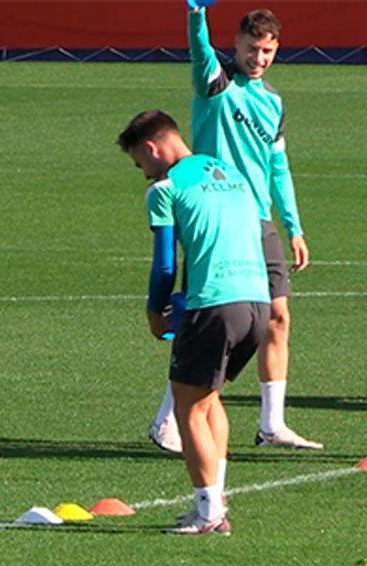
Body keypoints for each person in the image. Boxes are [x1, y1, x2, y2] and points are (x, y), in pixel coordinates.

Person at [148, 4, 321, 455]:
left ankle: (272, 424)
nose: (258, 58)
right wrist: (197, 13)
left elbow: (278, 167)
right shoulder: (216, 85)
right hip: (217, 216)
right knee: (202, 317)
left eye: (267, 51)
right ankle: (167, 418)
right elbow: (198, 49)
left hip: (259, 219)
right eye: (251, 49)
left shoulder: (274, 103)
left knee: (277, 317)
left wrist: (295, 227)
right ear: (237, 45)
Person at [119, 110, 270, 535]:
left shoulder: (165, 189)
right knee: (210, 400)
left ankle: (207, 513)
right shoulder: (231, 174)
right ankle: (213, 501)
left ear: (151, 148)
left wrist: (156, 311)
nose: (143, 173)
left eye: (139, 163)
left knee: (188, 407)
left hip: (215, 304)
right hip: (256, 301)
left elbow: (164, 263)